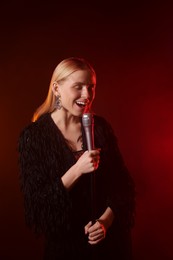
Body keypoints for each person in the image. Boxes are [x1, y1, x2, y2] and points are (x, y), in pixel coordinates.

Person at [18, 57, 136, 260]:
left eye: (91, 87)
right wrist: (77, 169)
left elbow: (123, 187)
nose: (87, 95)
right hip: (66, 249)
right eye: (78, 87)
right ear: (56, 89)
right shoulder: (34, 137)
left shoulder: (100, 128)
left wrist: (105, 223)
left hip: (111, 247)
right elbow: (37, 206)